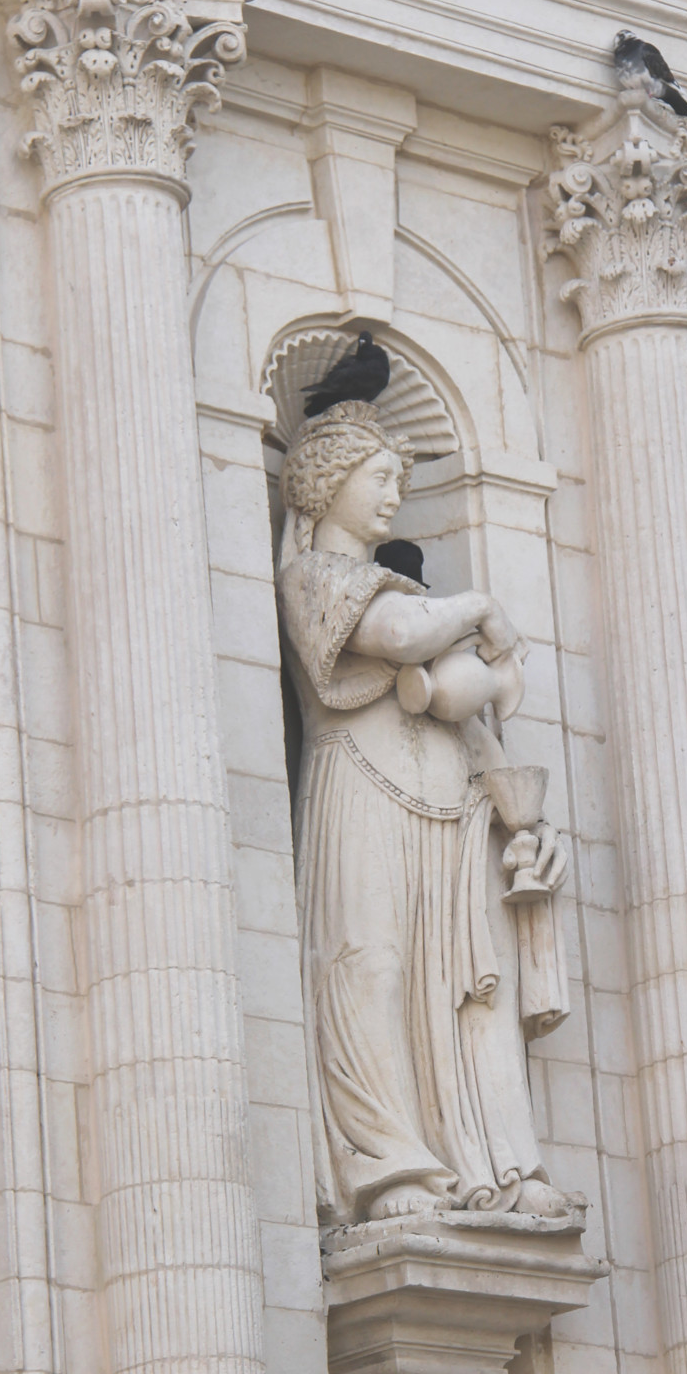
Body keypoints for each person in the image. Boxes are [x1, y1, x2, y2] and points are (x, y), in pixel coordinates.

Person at [276, 399, 577, 1225]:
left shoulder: (410, 595)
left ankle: (500, 1165)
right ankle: (387, 1165)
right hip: (361, 795)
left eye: (401, 481)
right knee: (368, 967)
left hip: (452, 807)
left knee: (467, 982)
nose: (390, 496)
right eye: (377, 478)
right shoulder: (315, 581)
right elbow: (402, 633)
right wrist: (483, 612)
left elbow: (475, 724)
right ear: (327, 482)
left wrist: (528, 829)